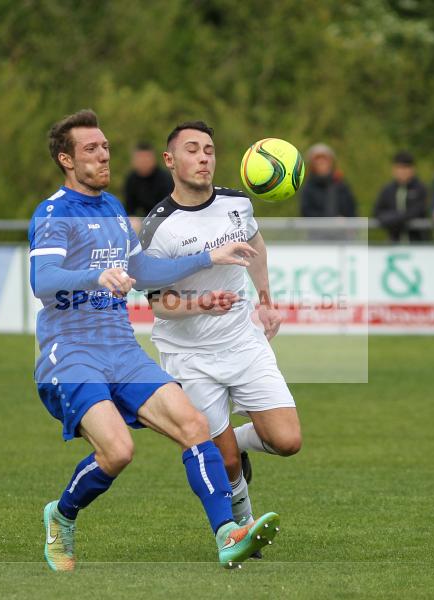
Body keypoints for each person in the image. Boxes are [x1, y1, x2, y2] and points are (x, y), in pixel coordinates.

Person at [31, 110, 280, 572]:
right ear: (66, 159)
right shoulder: (53, 212)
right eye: (91, 149)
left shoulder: (110, 208)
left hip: (122, 350)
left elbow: (144, 272)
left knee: (194, 426)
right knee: (119, 451)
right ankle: (61, 514)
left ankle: (228, 534)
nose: (103, 154)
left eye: (105, 146)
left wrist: (211, 254)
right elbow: (41, 278)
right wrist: (95, 275)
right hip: (71, 353)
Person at [140, 121, 301, 553]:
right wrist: (199, 303)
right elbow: (155, 304)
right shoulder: (160, 229)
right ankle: (243, 524)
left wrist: (266, 299)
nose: (204, 157)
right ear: (171, 161)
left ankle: (233, 441)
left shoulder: (237, 203)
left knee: (287, 441)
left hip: (242, 342)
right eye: (192, 150)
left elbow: (256, 245)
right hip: (188, 356)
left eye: (209, 149)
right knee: (225, 462)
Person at [298, 143, 356, 240]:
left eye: (324, 160)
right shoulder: (308, 188)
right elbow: (306, 212)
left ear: (330, 162)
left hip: (342, 237)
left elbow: (351, 209)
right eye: (317, 160)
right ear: (313, 164)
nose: (321, 163)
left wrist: (348, 223)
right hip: (317, 238)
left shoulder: (341, 185)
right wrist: (330, 222)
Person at [372, 151, 430, 243]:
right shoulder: (387, 190)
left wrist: (394, 219)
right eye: (399, 168)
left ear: (412, 169)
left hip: (418, 243)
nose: (402, 171)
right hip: (394, 242)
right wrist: (397, 218)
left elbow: (417, 211)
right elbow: (377, 212)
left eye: (405, 168)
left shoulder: (420, 189)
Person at [122, 142, 174, 232]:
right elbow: (129, 209)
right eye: (140, 159)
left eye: (147, 158)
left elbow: (169, 207)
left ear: (153, 159)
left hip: (164, 219)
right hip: (143, 220)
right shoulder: (131, 179)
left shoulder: (165, 178)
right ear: (134, 161)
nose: (143, 162)